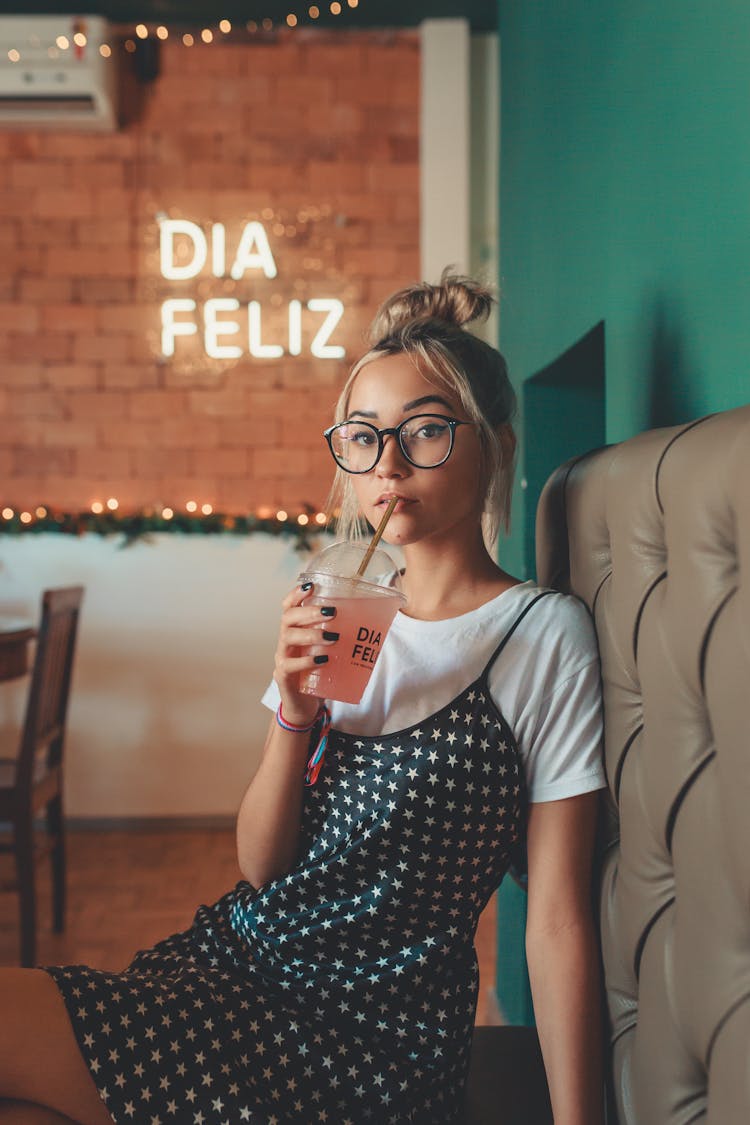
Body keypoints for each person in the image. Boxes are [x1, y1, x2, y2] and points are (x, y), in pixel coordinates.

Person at [0, 271, 606, 1124]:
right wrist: (292, 708)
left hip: (365, 1041)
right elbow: (261, 865)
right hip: (246, 962)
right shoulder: (338, 596)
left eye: (425, 431)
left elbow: (556, 921)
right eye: (363, 438)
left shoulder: (540, 636)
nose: (388, 464)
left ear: (494, 442)